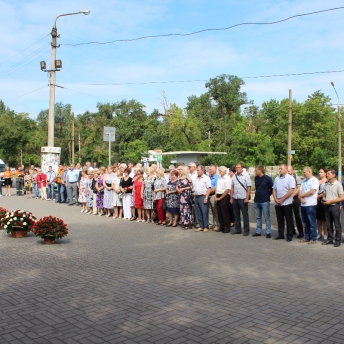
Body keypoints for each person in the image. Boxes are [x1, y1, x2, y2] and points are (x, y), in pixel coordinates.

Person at [272, 164, 295, 242]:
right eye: (279, 168)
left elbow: (291, 191)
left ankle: (289, 235)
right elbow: (274, 189)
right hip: (277, 202)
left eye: (281, 168)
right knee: (280, 219)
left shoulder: (290, 178)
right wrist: (275, 199)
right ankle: (280, 234)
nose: (280, 170)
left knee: (288, 219)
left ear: (286, 169)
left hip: (286, 202)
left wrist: (282, 199)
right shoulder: (277, 178)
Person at [322, 169, 344, 247]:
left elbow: (342, 197)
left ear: (333, 175)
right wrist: (324, 199)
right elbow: (324, 194)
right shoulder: (326, 184)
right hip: (327, 206)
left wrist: (331, 201)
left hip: (335, 206)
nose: (327, 175)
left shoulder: (338, 185)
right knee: (328, 223)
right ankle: (330, 238)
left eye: (328, 174)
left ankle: (338, 240)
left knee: (337, 223)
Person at [298, 167, 319, 244]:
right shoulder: (304, 181)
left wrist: (302, 196)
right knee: (305, 222)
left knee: (311, 222)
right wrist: (301, 198)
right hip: (303, 204)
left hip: (311, 204)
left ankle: (313, 238)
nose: (303, 174)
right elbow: (300, 190)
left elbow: (312, 191)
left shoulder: (315, 180)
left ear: (310, 172)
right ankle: (307, 237)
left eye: (304, 172)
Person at [230, 163, 251, 236]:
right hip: (235, 198)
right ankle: (237, 229)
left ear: (242, 168)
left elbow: (249, 187)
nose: (237, 169)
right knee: (236, 215)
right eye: (236, 167)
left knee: (245, 215)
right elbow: (232, 187)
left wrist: (247, 198)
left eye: (238, 167)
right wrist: (231, 198)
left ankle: (246, 230)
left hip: (243, 198)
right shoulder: (234, 177)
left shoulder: (246, 176)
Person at [252, 165, 273, 238]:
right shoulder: (256, 178)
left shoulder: (268, 179)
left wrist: (267, 195)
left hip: (264, 201)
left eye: (256, 170)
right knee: (258, 216)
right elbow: (257, 188)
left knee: (266, 217)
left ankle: (268, 232)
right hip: (257, 200)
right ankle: (258, 231)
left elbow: (272, 189)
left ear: (260, 171)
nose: (255, 172)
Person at [213, 166, 231, 233]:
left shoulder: (227, 179)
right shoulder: (219, 178)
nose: (220, 172)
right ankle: (221, 226)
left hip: (224, 196)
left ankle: (227, 227)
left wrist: (220, 198)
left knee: (225, 213)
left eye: (221, 170)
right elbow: (217, 187)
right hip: (218, 194)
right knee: (219, 212)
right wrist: (215, 196)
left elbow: (227, 190)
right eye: (219, 170)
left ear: (225, 171)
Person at [287, 166, 304, 239]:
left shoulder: (296, 177)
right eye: (287, 170)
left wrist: (292, 196)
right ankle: (291, 230)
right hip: (287, 199)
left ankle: (300, 232)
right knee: (289, 216)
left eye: (289, 170)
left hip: (295, 198)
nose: (288, 172)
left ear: (292, 171)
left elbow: (298, 189)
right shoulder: (286, 178)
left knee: (297, 215)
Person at [194, 165, 211, 232]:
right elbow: (195, 188)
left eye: (198, 170)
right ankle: (201, 226)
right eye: (197, 170)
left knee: (204, 212)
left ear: (202, 170)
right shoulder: (196, 178)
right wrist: (195, 196)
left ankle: (205, 226)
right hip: (197, 196)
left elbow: (208, 188)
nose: (197, 172)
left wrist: (206, 198)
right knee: (198, 212)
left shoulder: (206, 178)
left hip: (203, 196)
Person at [177, 166, 193, 230]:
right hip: (181, 195)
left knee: (186, 209)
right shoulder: (180, 177)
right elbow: (177, 185)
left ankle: (188, 223)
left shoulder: (188, 178)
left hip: (186, 195)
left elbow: (191, 186)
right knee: (182, 209)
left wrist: (184, 188)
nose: (180, 171)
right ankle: (183, 222)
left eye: (182, 170)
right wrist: (178, 189)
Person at [316, 168, 328, 240]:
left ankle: (325, 233)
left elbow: (326, 192)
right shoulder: (317, 181)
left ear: (325, 173)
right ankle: (319, 233)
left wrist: (319, 196)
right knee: (318, 218)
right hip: (317, 201)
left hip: (323, 199)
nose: (320, 173)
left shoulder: (327, 181)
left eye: (321, 172)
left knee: (324, 218)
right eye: (319, 172)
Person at [208, 165, 220, 231]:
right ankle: (210, 224)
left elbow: (216, 187)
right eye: (209, 169)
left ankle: (216, 224)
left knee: (215, 210)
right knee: (209, 210)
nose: (210, 171)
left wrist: (208, 192)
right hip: (208, 195)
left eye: (211, 170)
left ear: (215, 170)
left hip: (214, 194)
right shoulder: (208, 177)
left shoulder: (218, 177)